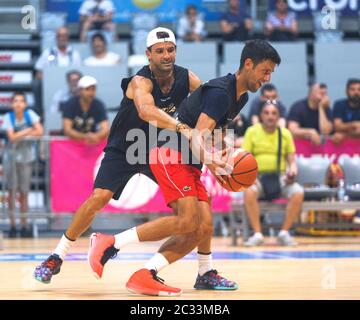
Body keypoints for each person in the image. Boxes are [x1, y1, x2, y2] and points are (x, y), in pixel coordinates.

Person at [34, 28, 234, 291]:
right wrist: (183, 128)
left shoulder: (187, 77)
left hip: (159, 151)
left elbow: (212, 101)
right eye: (160, 51)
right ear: (148, 54)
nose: (166, 55)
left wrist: (221, 135)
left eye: (171, 49)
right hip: (126, 148)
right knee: (98, 199)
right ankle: (57, 256)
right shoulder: (140, 81)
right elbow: (146, 110)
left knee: (194, 213)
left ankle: (204, 271)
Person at [87, 39, 281, 296]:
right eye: (264, 71)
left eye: (270, 73)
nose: (266, 78)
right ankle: (110, 242)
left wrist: (225, 154)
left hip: (189, 158)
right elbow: (197, 135)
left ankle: (189, 273)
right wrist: (212, 161)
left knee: (204, 226)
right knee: (188, 220)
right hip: (170, 153)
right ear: (248, 64)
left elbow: (215, 133)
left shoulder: (240, 96)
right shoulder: (221, 92)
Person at [242, 101, 304, 247]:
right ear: (261, 116)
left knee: (298, 192)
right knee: (249, 192)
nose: (270, 116)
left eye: (274, 113)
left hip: (280, 178)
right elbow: (245, 158)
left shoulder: (285, 134)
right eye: (267, 113)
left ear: (278, 117)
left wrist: (292, 172)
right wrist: (251, 178)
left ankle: (284, 233)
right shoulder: (252, 131)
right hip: (258, 178)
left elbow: (292, 161)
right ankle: (257, 234)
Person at [2, 92, 44, 238]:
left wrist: (22, 134)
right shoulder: (8, 117)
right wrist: (29, 130)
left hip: (27, 158)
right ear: (12, 104)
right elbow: (11, 137)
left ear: (25, 104)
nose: (18, 104)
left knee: (24, 193)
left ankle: (24, 224)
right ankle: (13, 225)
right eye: (15, 101)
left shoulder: (30, 114)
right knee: (11, 192)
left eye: (21, 101)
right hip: (11, 158)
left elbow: (40, 131)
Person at [62, 75, 110, 144]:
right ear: (80, 91)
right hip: (72, 146)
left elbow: (105, 129)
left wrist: (96, 136)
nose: (91, 92)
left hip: (91, 145)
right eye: (87, 89)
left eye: (93, 89)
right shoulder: (70, 104)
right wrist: (86, 137)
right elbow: (67, 130)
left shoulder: (99, 105)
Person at [332, 78, 360, 144]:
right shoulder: (339, 104)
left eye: (359, 89)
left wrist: (344, 135)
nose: (356, 92)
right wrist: (354, 124)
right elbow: (337, 127)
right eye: (352, 89)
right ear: (346, 91)